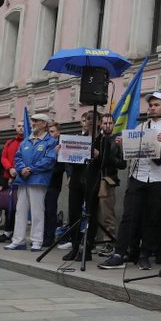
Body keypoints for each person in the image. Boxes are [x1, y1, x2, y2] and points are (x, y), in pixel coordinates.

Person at [99, 92, 161, 270]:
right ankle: (119, 253)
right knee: (129, 216)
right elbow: (129, 154)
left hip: (159, 178)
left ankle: (145, 255)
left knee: (153, 218)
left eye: (156, 104)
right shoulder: (140, 127)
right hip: (138, 176)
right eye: (151, 105)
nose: (152, 108)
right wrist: (122, 144)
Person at [4, 113, 57, 251]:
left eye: (36, 121)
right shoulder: (26, 140)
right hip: (23, 180)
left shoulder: (50, 142)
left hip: (38, 180)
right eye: (32, 121)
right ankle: (18, 240)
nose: (33, 123)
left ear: (44, 124)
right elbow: (18, 157)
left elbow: (49, 160)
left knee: (37, 212)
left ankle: (37, 241)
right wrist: (22, 170)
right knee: (20, 211)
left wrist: (31, 169)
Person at [62, 110, 97, 261]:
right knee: (74, 213)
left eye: (93, 119)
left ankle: (87, 248)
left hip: (92, 180)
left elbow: (107, 162)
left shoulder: (102, 139)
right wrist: (62, 152)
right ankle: (75, 246)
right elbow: (71, 160)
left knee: (91, 215)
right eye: (87, 119)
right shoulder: (79, 138)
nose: (89, 121)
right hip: (77, 180)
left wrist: (98, 154)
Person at [92, 113, 126, 256]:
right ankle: (91, 240)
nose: (107, 126)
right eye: (105, 123)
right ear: (100, 124)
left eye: (110, 123)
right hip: (93, 179)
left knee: (107, 213)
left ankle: (109, 242)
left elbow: (122, 164)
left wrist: (108, 156)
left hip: (107, 179)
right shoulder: (96, 140)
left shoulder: (116, 141)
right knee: (92, 212)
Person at [0, 119, 24, 242]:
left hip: (22, 178)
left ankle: (18, 234)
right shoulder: (9, 142)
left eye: (23, 126)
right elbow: (4, 158)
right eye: (18, 126)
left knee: (20, 208)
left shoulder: (29, 142)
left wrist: (17, 171)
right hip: (9, 178)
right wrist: (10, 168)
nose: (21, 128)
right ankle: (8, 231)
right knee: (9, 207)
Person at [43, 122, 65, 248]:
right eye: (48, 132)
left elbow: (61, 167)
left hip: (53, 183)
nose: (49, 134)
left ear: (58, 133)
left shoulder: (60, 146)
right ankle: (41, 235)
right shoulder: (45, 144)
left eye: (52, 131)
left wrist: (55, 155)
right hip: (42, 182)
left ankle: (49, 237)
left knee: (50, 210)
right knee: (41, 210)